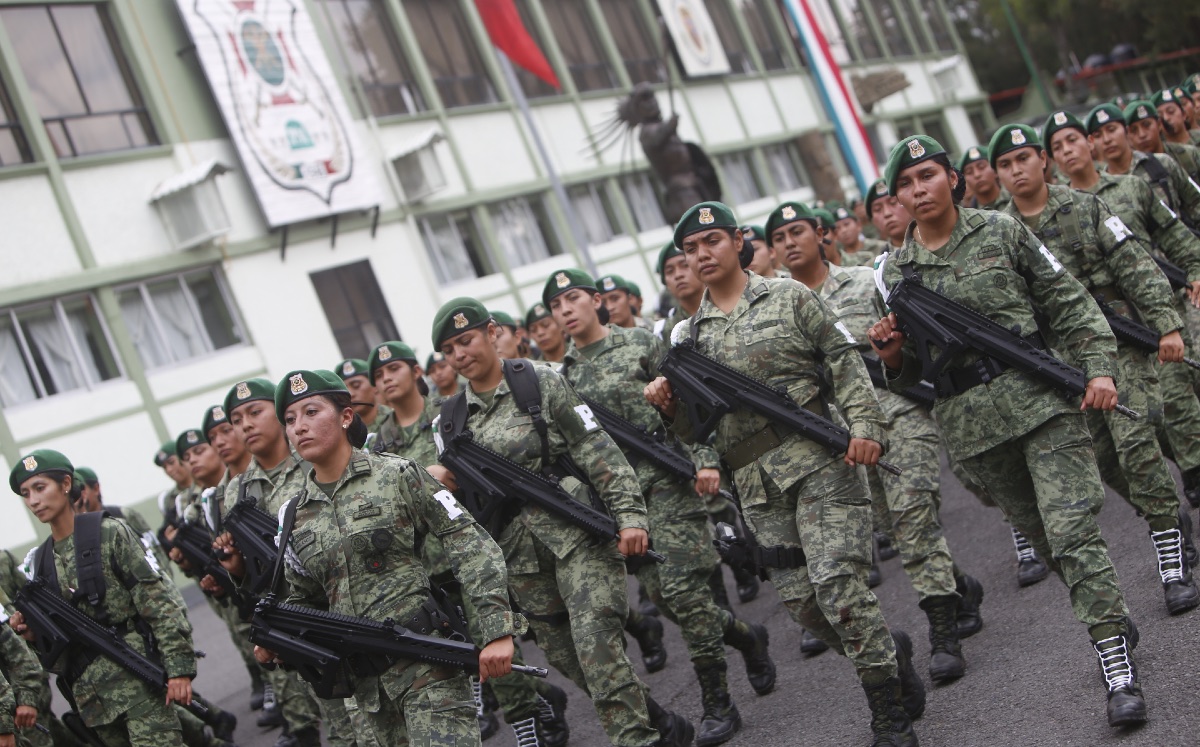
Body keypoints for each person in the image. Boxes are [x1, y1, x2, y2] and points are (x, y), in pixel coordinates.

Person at [869, 134, 1145, 728]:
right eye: (906, 184)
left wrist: (1097, 368)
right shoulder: (895, 272)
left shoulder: (1001, 231)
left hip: (1041, 402)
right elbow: (914, 371)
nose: (918, 191)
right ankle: (1113, 621)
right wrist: (893, 356)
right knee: (1049, 547)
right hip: (973, 430)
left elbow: (1067, 301)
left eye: (928, 176)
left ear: (952, 179)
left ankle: (1116, 666)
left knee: (1073, 534)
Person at [645, 202, 924, 747]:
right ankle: (888, 655)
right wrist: (669, 410)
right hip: (756, 486)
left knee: (838, 587)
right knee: (803, 605)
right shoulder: (685, 337)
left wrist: (866, 426)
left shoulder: (790, 296)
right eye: (690, 249)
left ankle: (889, 716)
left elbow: (844, 361)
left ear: (738, 242)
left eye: (712, 242)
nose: (701, 256)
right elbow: (696, 431)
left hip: (822, 463)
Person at [428, 299, 692, 747]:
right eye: (449, 349)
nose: (460, 354)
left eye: (466, 339)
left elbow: (598, 451)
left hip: (579, 537)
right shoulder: (449, 423)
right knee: (579, 668)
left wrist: (629, 518)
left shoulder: (540, 383)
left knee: (599, 656)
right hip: (523, 563)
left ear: (492, 333)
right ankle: (662, 724)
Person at [548, 268, 776, 746]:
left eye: (573, 298)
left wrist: (705, 460)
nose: (564, 310)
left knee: (687, 595)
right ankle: (745, 637)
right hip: (619, 504)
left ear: (596, 300)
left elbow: (692, 405)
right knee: (663, 601)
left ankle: (718, 704)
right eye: (555, 305)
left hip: (668, 480)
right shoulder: (561, 378)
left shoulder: (639, 345)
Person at [769, 198, 984, 683]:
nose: (789, 243)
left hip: (896, 412)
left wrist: (894, 357)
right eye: (779, 238)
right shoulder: (775, 310)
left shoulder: (866, 282)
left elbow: (913, 344)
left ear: (820, 233)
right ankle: (959, 588)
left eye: (797, 232)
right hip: (840, 437)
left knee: (912, 521)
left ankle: (943, 632)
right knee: (894, 527)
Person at [994, 120, 1200, 615]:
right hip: (1059, 361)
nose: (1017, 169)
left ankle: (1171, 561)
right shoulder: (999, 231)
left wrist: (1167, 325)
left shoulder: (1085, 206)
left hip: (1118, 340)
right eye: (1005, 164)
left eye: (1024, 158)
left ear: (1043, 160)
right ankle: (1166, 516)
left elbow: (1134, 264)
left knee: (1135, 444)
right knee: (1104, 459)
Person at [250, 370, 519, 745]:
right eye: (291, 420)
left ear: (345, 417)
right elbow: (304, 598)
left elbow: (469, 542)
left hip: (426, 664)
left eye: (312, 412)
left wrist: (497, 628)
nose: (300, 427)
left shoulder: (398, 474)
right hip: (365, 695)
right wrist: (280, 638)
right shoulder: (293, 516)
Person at [367, 340, 570, 746]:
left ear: (416, 373)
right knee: (465, 662)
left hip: (469, 555)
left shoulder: (449, 416)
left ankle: (528, 732)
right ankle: (546, 698)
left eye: (394, 369)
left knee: (495, 650)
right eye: (378, 376)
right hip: (424, 574)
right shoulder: (377, 447)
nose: (386, 379)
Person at [1048, 109, 1200, 509]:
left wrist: (1196, 270)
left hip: (1163, 306)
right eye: (1057, 146)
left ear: (1090, 143)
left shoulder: (1132, 187)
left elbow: (1174, 234)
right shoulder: (1058, 209)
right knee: (1159, 412)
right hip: (1109, 328)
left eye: (1074, 140)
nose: (1068, 150)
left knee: (1179, 397)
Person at [9, 450, 196, 746]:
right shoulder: (40, 563)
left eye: (40, 488)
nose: (33, 500)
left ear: (66, 484)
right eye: (25, 493)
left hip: (139, 681)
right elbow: (57, 653)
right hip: (93, 702)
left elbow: (158, 602)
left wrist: (179, 669)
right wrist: (34, 635)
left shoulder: (109, 533)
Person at [211, 379, 327, 747]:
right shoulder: (237, 491)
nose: (244, 424)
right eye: (236, 419)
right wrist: (237, 569)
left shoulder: (313, 460)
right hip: (284, 615)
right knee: (312, 713)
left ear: (279, 416)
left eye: (254, 412)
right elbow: (254, 572)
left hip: (334, 602)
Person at [1089, 102, 1200, 226]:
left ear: (1125, 131)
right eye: (1098, 135)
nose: (1107, 139)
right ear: (1091, 142)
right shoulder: (1101, 190)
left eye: (1111, 130)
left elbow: (1196, 202)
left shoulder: (1162, 163)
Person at [73, 466, 168, 571]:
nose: (79, 496)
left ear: (96, 489)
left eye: (82, 489)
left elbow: (153, 550)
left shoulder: (123, 515)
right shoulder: (76, 531)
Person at [1125, 99, 1200, 184]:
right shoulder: (1130, 176)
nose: (1142, 134)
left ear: (1159, 124)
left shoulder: (1189, 154)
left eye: (1146, 125)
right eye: (1133, 130)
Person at [336, 359, 392, 437]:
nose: (350, 394)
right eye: (344, 390)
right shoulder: (343, 433)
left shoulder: (396, 419)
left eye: (356, 385)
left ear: (374, 385)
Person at [958, 146, 1011, 211]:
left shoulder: (1015, 197)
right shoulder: (969, 215)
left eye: (981, 167)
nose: (977, 175)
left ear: (995, 169)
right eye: (969, 172)